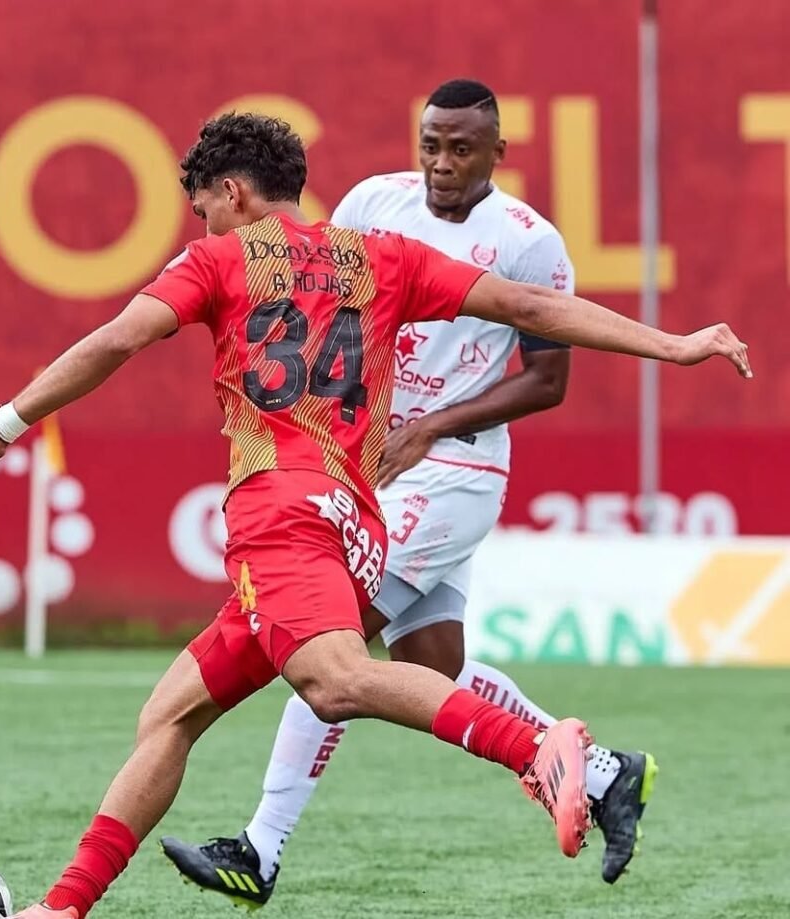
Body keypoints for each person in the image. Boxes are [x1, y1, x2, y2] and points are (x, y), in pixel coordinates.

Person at [0, 112, 750, 919]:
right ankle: (63, 905)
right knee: (168, 716)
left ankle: (542, 751)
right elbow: (531, 310)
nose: (201, 221)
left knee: (334, 682)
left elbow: (115, 340)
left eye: (204, 203)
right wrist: (672, 346)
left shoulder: (218, 260)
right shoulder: (382, 256)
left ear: (236, 192)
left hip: (280, 513)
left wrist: (3, 425)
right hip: (353, 518)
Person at [160, 79, 655, 904]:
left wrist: (431, 426)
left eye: (462, 149)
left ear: (498, 153)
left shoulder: (529, 241)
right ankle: (605, 773)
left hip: (454, 470)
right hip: (369, 466)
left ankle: (261, 847)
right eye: (431, 143)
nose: (441, 163)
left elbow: (548, 380)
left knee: (334, 651)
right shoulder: (371, 203)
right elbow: (323, 307)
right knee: (431, 667)